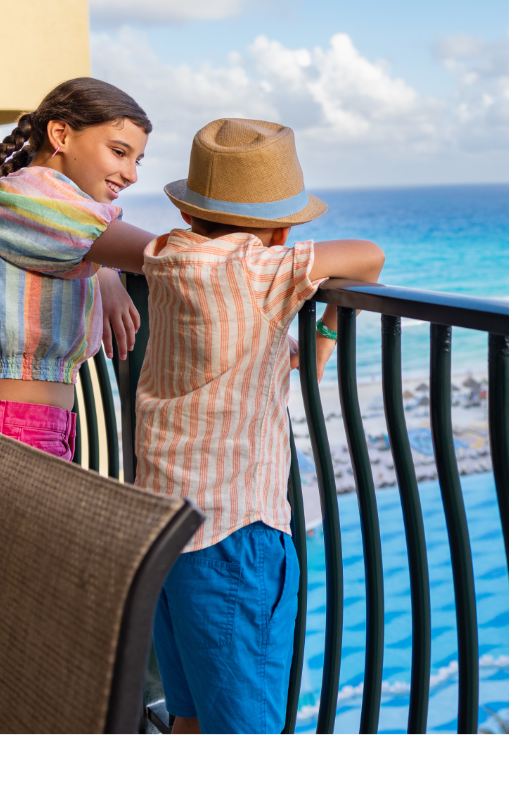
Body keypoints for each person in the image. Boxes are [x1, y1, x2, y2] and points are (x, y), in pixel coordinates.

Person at [138, 118, 384, 738]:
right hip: (234, 530)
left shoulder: (166, 256)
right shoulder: (260, 270)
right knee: (247, 733)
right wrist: (323, 332)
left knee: (189, 717)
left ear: (191, 214)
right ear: (279, 230)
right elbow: (369, 257)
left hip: (164, 522)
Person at [0, 78, 157, 518]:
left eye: (137, 160)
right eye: (119, 152)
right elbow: (165, 255)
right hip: (7, 435)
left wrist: (102, 271)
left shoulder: (31, 203)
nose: (132, 174)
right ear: (60, 135)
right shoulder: (26, 197)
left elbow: (73, 238)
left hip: (7, 429)